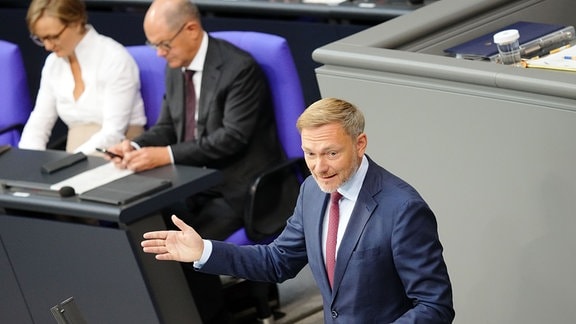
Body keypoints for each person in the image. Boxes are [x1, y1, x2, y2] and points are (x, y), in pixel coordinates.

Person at [141, 98, 456, 323]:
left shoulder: (403, 209)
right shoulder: (311, 191)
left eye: (331, 153)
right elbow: (278, 262)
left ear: (360, 144)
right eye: (309, 153)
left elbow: (434, 305)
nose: (320, 167)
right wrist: (204, 251)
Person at [107, 0, 286, 322]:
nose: (159, 53)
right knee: (147, 229)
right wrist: (133, 145)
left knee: (180, 246)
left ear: (191, 29)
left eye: (163, 44)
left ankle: (210, 317)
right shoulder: (176, 66)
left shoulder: (238, 68)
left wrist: (167, 155)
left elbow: (232, 138)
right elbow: (167, 126)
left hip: (239, 187)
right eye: (154, 45)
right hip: (193, 182)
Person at [19, 0, 146, 155]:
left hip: (120, 152)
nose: (48, 46)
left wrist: (68, 164)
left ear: (77, 22)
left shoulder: (114, 58)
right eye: (41, 39)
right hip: (75, 154)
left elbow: (113, 132)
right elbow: (39, 121)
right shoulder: (53, 63)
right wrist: (27, 160)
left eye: (53, 37)